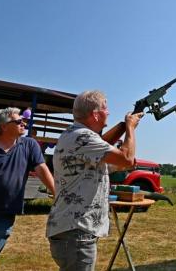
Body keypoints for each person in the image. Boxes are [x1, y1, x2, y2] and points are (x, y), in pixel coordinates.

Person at [46, 90, 143, 271]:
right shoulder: (83, 136)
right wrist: (129, 127)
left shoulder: (75, 134)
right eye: (105, 109)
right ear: (95, 114)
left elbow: (105, 149)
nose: (108, 112)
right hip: (76, 233)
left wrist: (123, 125)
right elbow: (127, 159)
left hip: (73, 232)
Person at [0, 107, 55, 270]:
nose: (23, 123)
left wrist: (57, 195)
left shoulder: (29, 145)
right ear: (3, 126)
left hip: (3, 214)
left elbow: (42, 171)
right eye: (18, 121)